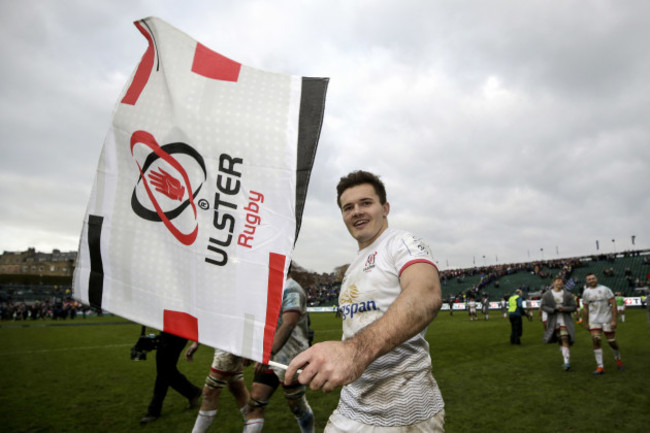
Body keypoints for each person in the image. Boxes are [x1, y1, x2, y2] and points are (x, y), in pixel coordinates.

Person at [285, 170, 445, 432]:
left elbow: (426, 294)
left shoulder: (402, 242)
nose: (356, 211)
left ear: (385, 208)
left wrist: (354, 352)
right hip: (354, 402)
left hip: (403, 407)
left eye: (366, 203)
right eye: (348, 207)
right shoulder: (352, 267)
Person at [243, 265, 314, 433]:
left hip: (290, 357)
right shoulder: (266, 290)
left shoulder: (292, 289)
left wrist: (268, 354)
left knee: (296, 406)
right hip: (269, 357)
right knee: (255, 402)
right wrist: (248, 350)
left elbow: (289, 323)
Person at [139, 332, 202, 424]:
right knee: (166, 371)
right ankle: (192, 392)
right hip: (168, 333)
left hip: (177, 334)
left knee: (164, 371)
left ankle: (154, 411)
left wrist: (196, 342)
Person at [188, 346, 250, 432]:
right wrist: (196, 343)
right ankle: (253, 424)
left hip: (228, 344)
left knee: (210, 391)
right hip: (222, 343)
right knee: (237, 387)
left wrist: (247, 347)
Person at [582, 273, 624, 374]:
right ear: (587, 281)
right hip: (594, 320)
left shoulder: (605, 289)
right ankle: (600, 367)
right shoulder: (586, 292)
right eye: (589, 279)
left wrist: (614, 319)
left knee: (612, 342)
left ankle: (617, 358)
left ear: (596, 279)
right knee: (596, 340)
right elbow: (585, 308)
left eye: (593, 278)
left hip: (607, 319)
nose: (591, 280)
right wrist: (585, 322)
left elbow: (613, 304)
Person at [540, 278, 577, 371]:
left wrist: (564, 308)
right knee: (560, 339)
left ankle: (566, 362)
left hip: (565, 320)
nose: (560, 282)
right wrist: (553, 309)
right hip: (553, 320)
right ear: (553, 283)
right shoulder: (547, 294)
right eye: (557, 281)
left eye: (561, 281)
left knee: (565, 338)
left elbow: (574, 307)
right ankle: (565, 354)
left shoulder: (567, 294)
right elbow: (543, 306)